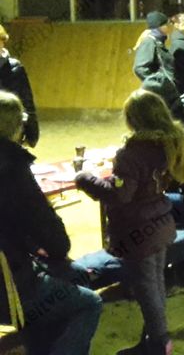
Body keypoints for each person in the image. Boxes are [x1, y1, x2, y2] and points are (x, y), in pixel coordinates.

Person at [76, 89, 184, 355]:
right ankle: (152, 340)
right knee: (155, 284)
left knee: (146, 290)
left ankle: (159, 343)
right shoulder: (169, 143)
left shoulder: (132, 152)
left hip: (138, 230)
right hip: (159, 222)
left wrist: (85, 178)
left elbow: (120, 195)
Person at [0, 91, 102, 355]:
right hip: (8, 288)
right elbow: (56, 241)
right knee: (88, 303)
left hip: (10, 270)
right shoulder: (13, 168)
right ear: (16, 127)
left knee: (73, 275)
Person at [0, 24, 40, 147]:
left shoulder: (15, 69)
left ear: (3, 42)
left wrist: (32, 134)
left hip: (10, 132)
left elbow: (27, 101)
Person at [133, 11, 173, 81]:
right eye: (165, 25)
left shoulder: (158, 41)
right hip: (159, 86)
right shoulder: (149, 42)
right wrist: (157, 82)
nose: (168, 28)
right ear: (159, 27)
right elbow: (139, 68)